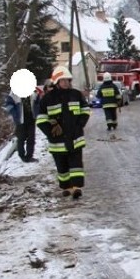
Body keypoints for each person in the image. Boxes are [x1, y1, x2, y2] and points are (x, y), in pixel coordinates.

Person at [36, 66, 91, 199]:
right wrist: (50, 132)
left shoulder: (76, 94)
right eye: (63, 80)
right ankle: (67, 187)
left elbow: (85, 111)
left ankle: (77, 188)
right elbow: (41, 120)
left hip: (75, 138)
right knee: (62, 165)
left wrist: (80, 125)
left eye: (67, 80)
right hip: (57, 141)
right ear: (56, 82)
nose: (66, 83)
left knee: (76, 164)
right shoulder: (47, 99)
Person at [2, 88, 39, 163]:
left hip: (31, 117)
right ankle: (22, 155)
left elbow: (38, 101)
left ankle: (29, 156)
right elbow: (8, 104)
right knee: (21, 138)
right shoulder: (14, 92)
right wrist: (15, 114)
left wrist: (37, 111)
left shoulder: (33, 90)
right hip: (20, 119)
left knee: (31, 138)